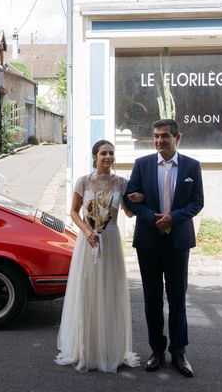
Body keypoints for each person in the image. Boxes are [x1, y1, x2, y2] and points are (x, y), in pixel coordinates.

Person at [55, 140, 143, 373]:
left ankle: (110, 350)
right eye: (104, 153)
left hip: (111, 241)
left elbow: (129, 213)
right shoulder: (83, 181)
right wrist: (87, 232)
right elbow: (73, 212)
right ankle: (87, 348)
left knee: (110, 290)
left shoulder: (121, 183)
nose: (108, 157)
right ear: (94, 156)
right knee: (88, 290)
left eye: (111, 153)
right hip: (88, 241)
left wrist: (139, 200)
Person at [125, 119, 204, 378]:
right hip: (148, 242)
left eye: (165, 136)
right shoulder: (143, 164)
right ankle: (157, 351)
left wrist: (174, 217)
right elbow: (131, 199)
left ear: (177, 137)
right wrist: (152, 217)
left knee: (178, 299)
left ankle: (179, 352)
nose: (160, 141)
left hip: (178, 241)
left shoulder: (192, 166)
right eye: (156, 136)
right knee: (152, 300)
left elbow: (197, 202)